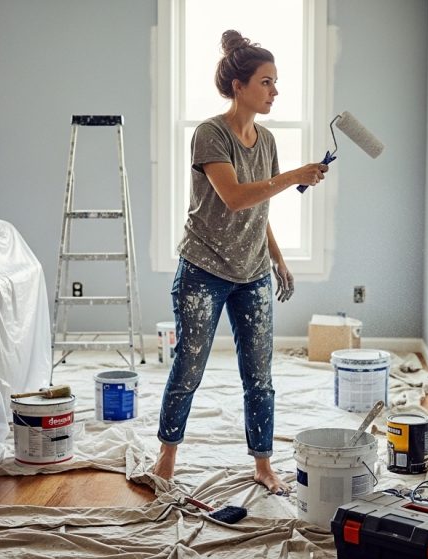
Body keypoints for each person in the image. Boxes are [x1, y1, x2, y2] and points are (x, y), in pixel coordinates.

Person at [151, 30, 330, 495]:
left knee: (260, 375)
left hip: (251, 273)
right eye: (266, 82)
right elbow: (233, 198)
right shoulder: (210, 134)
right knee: (189, 367)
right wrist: (293, 176)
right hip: (203, 270)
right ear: (239, 86)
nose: (274, 91)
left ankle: (263, 465)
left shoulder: (266, 140)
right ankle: (166, 458)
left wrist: (278, 258)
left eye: (275, 82)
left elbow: (258, 208)